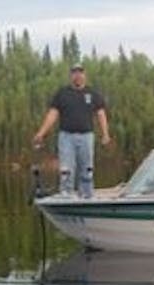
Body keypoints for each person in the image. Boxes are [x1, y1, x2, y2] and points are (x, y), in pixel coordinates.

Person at [33, 63, 111, 198]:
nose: (78, 76)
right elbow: (52, 114)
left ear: (84, 75)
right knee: (66, 169)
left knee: (87, 168)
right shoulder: (62, 94)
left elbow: (101, 114)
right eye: (75, 73)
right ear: (71, 76)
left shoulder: (92, 94)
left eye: (80, 72)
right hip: (66, 137)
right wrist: (41, 133)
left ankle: (86, 194)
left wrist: (105, 134)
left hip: (86, 136)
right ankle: (66, 194)